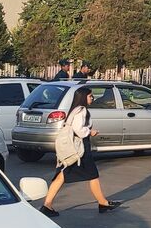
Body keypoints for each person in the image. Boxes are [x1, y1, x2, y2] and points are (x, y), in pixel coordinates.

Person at [41, 87, 121, 216]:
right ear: (84, 97)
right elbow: (78, 129)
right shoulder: (82, 110)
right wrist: (90, 132)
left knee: (63, 175)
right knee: (92, 174)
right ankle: (103, 203)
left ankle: (47, 205)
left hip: (73, 147)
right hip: (80, 147)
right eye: (90, 96)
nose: (92, 98)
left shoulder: (74, 110)